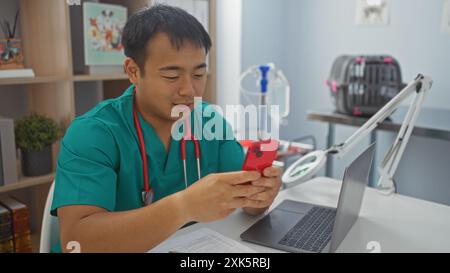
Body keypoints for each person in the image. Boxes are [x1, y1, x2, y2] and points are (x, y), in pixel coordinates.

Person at [51, 4, 282, 253]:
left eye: (198, 74)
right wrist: (183, 206)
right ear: (133, 71)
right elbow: (77, 242)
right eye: (172, 76)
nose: (189, 90)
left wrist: (260, 196)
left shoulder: (209, 122)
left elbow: (247, 200)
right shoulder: (93, 133)